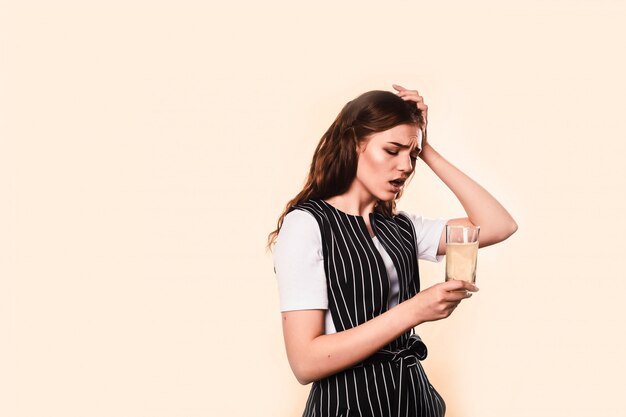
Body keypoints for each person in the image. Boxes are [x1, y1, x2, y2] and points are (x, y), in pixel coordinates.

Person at [267, 84, 517, 417]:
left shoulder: (402, 226)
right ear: (355, 145)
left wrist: (426, 147)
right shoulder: (307, 225)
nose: (406, 166)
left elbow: (499, 224)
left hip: (415, 403)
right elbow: (305, 361)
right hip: (348, 407)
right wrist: (415, 310)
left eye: (411, 156)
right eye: (392, 150)